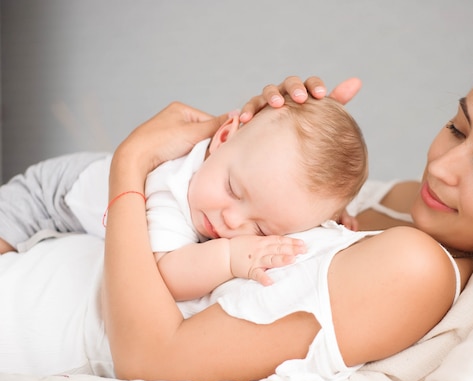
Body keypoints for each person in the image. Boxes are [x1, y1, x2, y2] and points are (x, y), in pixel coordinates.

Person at [99, 42, 473, 381]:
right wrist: (270, 142)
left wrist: (132, 163)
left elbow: (151, 362)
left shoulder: (413, 268)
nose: (443, 167)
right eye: (458, 128)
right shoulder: (399, 205)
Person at [0, 96, 368, 300]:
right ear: (222, 139)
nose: (232, 221)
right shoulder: (171, 189)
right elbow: (167, 276)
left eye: (260, 227)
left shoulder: (240, 173)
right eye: (233, 191)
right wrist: (230, 256)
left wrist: (335, 216)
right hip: (45, 199)